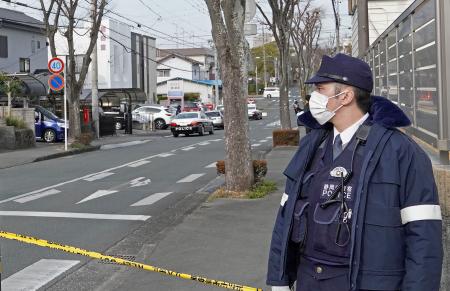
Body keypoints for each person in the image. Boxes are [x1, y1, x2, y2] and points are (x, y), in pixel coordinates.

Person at [267, 53, 443, 291]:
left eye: (321, 89)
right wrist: (279, 281)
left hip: (369, 282)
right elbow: (285, 216)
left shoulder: (401, 152)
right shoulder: (312, 146)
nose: (314, 98)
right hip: (309, 280)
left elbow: (424, 238)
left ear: (346, 96)